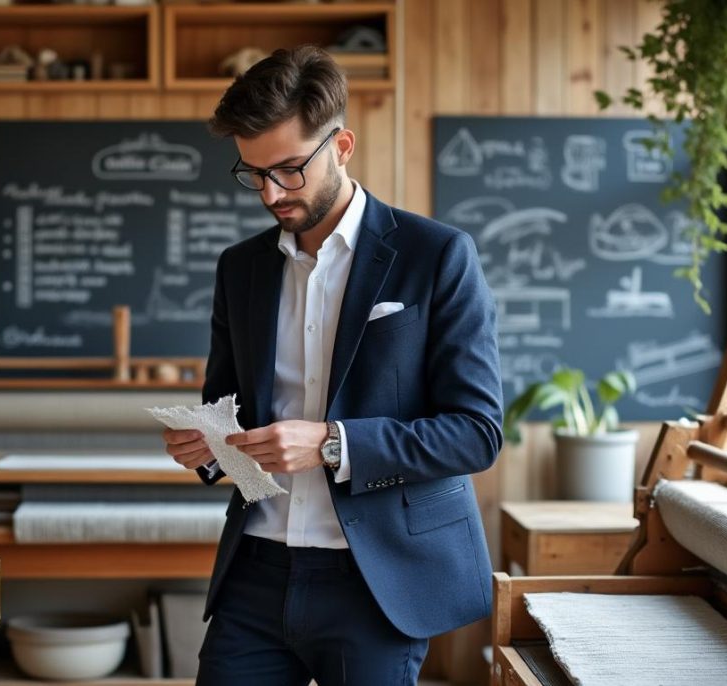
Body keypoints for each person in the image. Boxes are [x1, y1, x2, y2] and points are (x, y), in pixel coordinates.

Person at [161, 45, 504, 685]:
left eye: (289, 169)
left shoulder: (438, 256)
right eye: (253, 172)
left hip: (377, 577)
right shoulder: (240, 268)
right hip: (255, 572)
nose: (269, 192)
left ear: (342, 146)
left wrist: (331, 443)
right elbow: (228, 405)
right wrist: (206, 446)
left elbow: (476, 432)